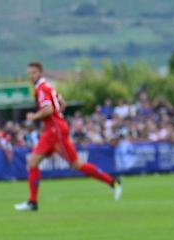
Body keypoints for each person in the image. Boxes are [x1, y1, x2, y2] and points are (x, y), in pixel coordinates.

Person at [14, 62, 122, 211]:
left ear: (40, 73)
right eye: (29, 73)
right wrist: (58, 116)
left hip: (54, 131)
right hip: (55, 129)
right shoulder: (48, 87)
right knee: (34, 162)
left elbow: (49, 109)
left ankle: (112, 181)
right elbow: (62, 104)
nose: (31, 76)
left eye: (33, 73)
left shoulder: (41, 89)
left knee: (73, 164)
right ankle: (32, 202)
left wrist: (34, 116)